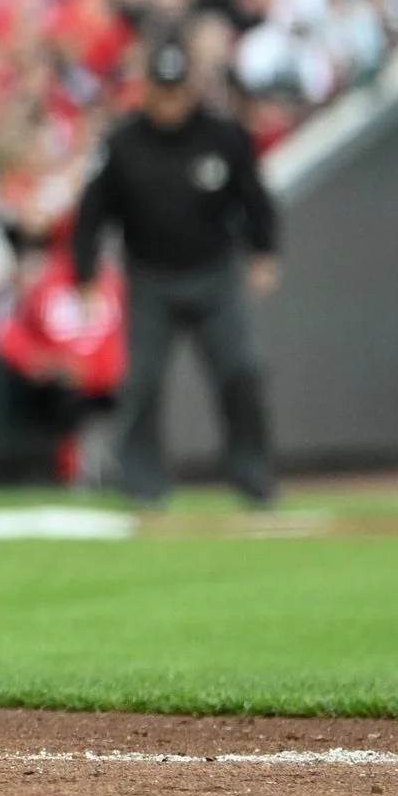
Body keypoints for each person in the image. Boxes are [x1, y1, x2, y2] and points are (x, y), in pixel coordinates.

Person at [70, 33, 281, 508]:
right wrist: (84, 275)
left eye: (176, 92)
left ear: (190, 89)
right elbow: (91, 214)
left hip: (215, 275)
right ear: (145, 90)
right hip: (149, 278)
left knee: (242, 370)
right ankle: (143, 485)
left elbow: (255, 199)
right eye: (160, 93)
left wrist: (263, 252)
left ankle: (253, 477)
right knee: (140, 381)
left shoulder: (224, 137)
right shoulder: (123, 143)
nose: (168, 104)